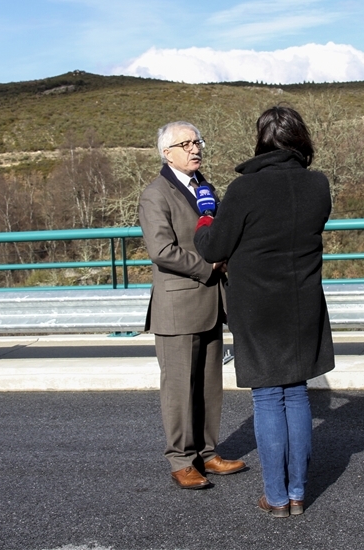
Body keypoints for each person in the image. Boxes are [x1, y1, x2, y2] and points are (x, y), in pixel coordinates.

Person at [193, 106, 335, 517]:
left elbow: (214, 247)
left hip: (257, 310)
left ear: (262, 140)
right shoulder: (317, 185)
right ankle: (296, 493)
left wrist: (206, 215)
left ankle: (275, 498)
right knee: (297, 394)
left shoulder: (243, 190)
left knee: (269, 398)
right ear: (300, 139)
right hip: (303, 304)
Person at [138, 121, 246, 489]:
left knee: (209, 384)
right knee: (179, 387)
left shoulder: (205, 188)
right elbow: (162, 251)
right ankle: (181, 459)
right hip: (177, 308)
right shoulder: (155, 195)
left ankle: (207, 453)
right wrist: (209, 266)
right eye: (185, 144)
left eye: (197, 141)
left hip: (213, 301)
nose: (195, 148)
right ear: (167, 153)